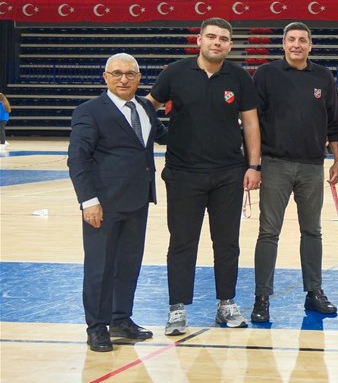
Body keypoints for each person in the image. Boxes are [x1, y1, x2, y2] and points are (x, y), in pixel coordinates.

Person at [148, 18, 261, 335]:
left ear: (230, 45)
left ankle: (226, 304)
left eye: (223, 38)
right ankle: (177, 308)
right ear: (199, 39)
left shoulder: (239, 77)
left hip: (228, 174)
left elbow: (251, 123)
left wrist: (253, 166)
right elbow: (148, 107)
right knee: (182, 242)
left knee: (227, 243)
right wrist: (161, 135)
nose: (217, 42)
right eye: (211, 36)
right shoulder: (175, 72)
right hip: (183, 174)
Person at [68, 54, 165, 352]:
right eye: (117, 73)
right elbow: (78, 160)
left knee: (128, 264)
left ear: (139, 78)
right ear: (106, 77)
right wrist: (88, 201)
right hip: (104, 204)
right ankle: (97, 327)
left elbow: (166, 136)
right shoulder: (89, 111)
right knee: (100, 267)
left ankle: (121, 320)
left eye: (130, 74)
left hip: (138, 200)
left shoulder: (145, 108)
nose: (124, 79)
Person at [250, 23, 338, 323]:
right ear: (283, 43)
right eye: (291, 39)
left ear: (310, 45)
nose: (297, 45)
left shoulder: (323, 76)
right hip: (275, 164)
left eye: (302, 40)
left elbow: (334, 123)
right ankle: (262, 297)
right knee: (268, 232)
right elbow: (251, 122)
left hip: (312, 166)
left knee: (312, 231)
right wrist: (253, 165)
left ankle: (314, 292)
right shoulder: (266, 74)